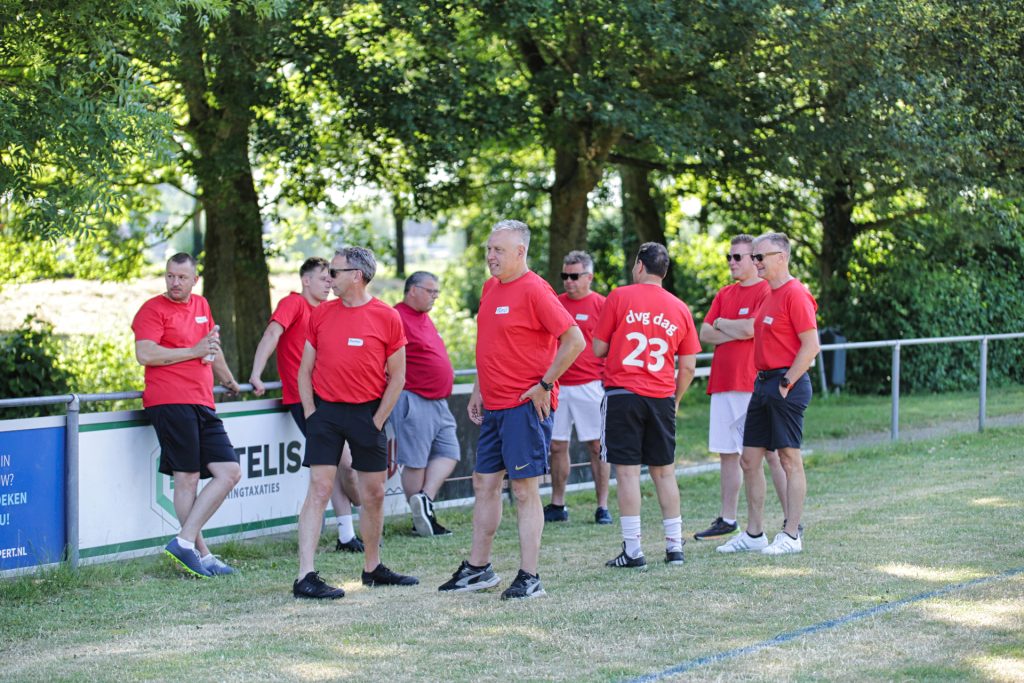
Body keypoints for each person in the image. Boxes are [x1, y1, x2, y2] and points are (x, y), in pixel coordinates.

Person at [438, 219, 584, 600]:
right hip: (494, 406)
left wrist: (546, 384)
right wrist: (477, 390)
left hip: (524, 407)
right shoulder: (490, 288)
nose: (490, 256)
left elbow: (575, 341)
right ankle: (479, 569)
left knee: (523, 491)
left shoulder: (536, 290)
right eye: (489, 249)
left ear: (520, 252)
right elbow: (490, 344)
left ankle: (530, 576)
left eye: (498, 250)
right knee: (483, 484)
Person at [292, 247, 418, 599]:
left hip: (368, 413)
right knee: (318, 489)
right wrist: (311, 413)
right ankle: (305, 576)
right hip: (326, 414)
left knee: (373, 494)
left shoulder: (386, 316)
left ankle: (372, 568)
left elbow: (398, 377)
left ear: (357, 276)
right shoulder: (320, 315)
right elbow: (305, 370)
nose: (329, 278)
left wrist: (377, 419)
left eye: (335, 272)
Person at [132, 252, 242, 578]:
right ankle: (201, 554)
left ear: (195, 279)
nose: (174, 282)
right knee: (188, 477)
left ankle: (184, 542)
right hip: (169, 400)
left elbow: (211, 348)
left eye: (181, 277)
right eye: (170, 276)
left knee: (230, 471)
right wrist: (192, 352)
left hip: (203, 400)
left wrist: (228, 379)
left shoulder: (202, 306)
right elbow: (145, 352)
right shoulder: (152, 309)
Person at [593, 242, 701, 568]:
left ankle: (633, 550)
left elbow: (598, 347)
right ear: (664, 271)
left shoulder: (619, 296)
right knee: (664, 473)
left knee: (627, 474)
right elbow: (689, 366)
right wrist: (675, 398)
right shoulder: (680, 308)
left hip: (623, 394)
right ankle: (674, 547)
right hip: (661, 396)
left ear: (640, 266)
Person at [249, 257, 364, 553]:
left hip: (335, 396)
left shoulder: (328, 311)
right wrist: (256, 374)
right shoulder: (294, 304)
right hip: (307, 400)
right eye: (323, 278)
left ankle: (347, 535)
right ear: (306, 281)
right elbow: (272, 334)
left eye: (331, 278)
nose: (329, 283)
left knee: (336, 466)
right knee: (345, 465)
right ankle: (368, 507)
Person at [718, 232, 819, 556]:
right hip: (762, 383)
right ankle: (754, 533)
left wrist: (786, 381)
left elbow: (811, 346)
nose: (755, 262)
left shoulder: (796, 294)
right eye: (754, 257)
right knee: (749, 459)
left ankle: (791, 534)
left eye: (760, 257)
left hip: (785, 383)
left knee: (790, 459)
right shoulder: (768, 294)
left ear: (781, 257)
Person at [694, 235, 790, 541]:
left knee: (771, 454)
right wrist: (731, 326)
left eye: (739, 257)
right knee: (727, 453)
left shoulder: (766, 289)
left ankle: (791, 518)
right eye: (729, 257)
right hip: (723, 381)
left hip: (751, 382)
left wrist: (726, 324)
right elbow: (705, 332)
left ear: (755, 259)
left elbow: (752, 329)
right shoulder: (724, 293)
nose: (733, 262)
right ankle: (728, 518)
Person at [544, 250, 612, 525]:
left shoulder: (602, 305)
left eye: (574, 276)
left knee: (596, 446)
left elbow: (612, 345)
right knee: (557, 446)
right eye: (565, 276)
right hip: (558, 385)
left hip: (590, 385)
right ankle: (558, 503)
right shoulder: (554, 303)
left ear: (589, 277)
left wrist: (607, 379)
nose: (568, 281)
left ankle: (602, 506)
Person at [392, 271, 459, 537]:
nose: (435, 297)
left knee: (450, 452)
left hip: (439, 402)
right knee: (416, 462)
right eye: (430, 291)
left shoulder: (424, 318)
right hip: (414, 398)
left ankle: (424, 503)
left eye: (436, 292)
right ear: (413, 290)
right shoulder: (396, 316)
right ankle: (419, 517)